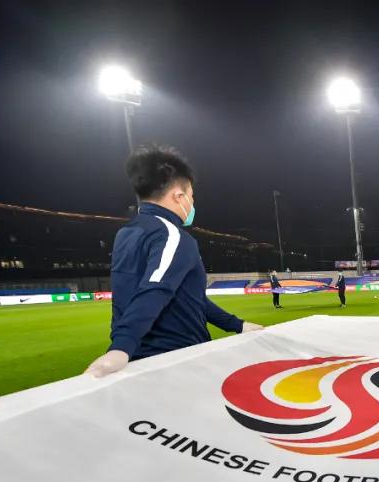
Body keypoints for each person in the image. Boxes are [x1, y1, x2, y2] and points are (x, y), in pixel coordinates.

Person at [85, 145, 261, 378]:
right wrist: (121, 348)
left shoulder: (126, 233)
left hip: (139, 364)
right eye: (191, 196)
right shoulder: (172, 236)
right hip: (178, 361)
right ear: (179, 196)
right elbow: (155, 289)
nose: (193, 203)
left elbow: (189, 297)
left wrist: (237, 325)